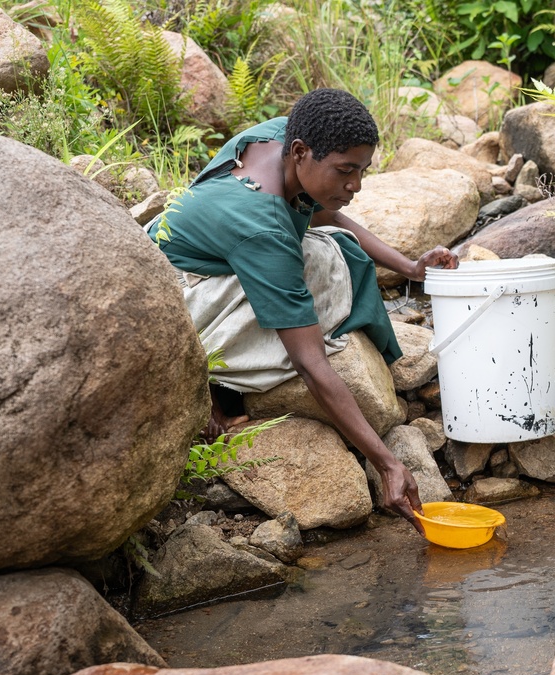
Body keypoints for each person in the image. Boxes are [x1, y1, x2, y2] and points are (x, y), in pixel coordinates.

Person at [150, 88, 458, 534]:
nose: (355, 185)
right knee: (327, 271)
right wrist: (387, 463)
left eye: (362, 170)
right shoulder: (262, 225)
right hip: (174, 299)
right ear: (301, 153)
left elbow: (325, 215)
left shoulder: (282, 136)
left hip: (181, 253)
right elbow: (311, 366)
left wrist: (411, 267)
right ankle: (210, 383)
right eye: (345, 171)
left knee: (328, 251)